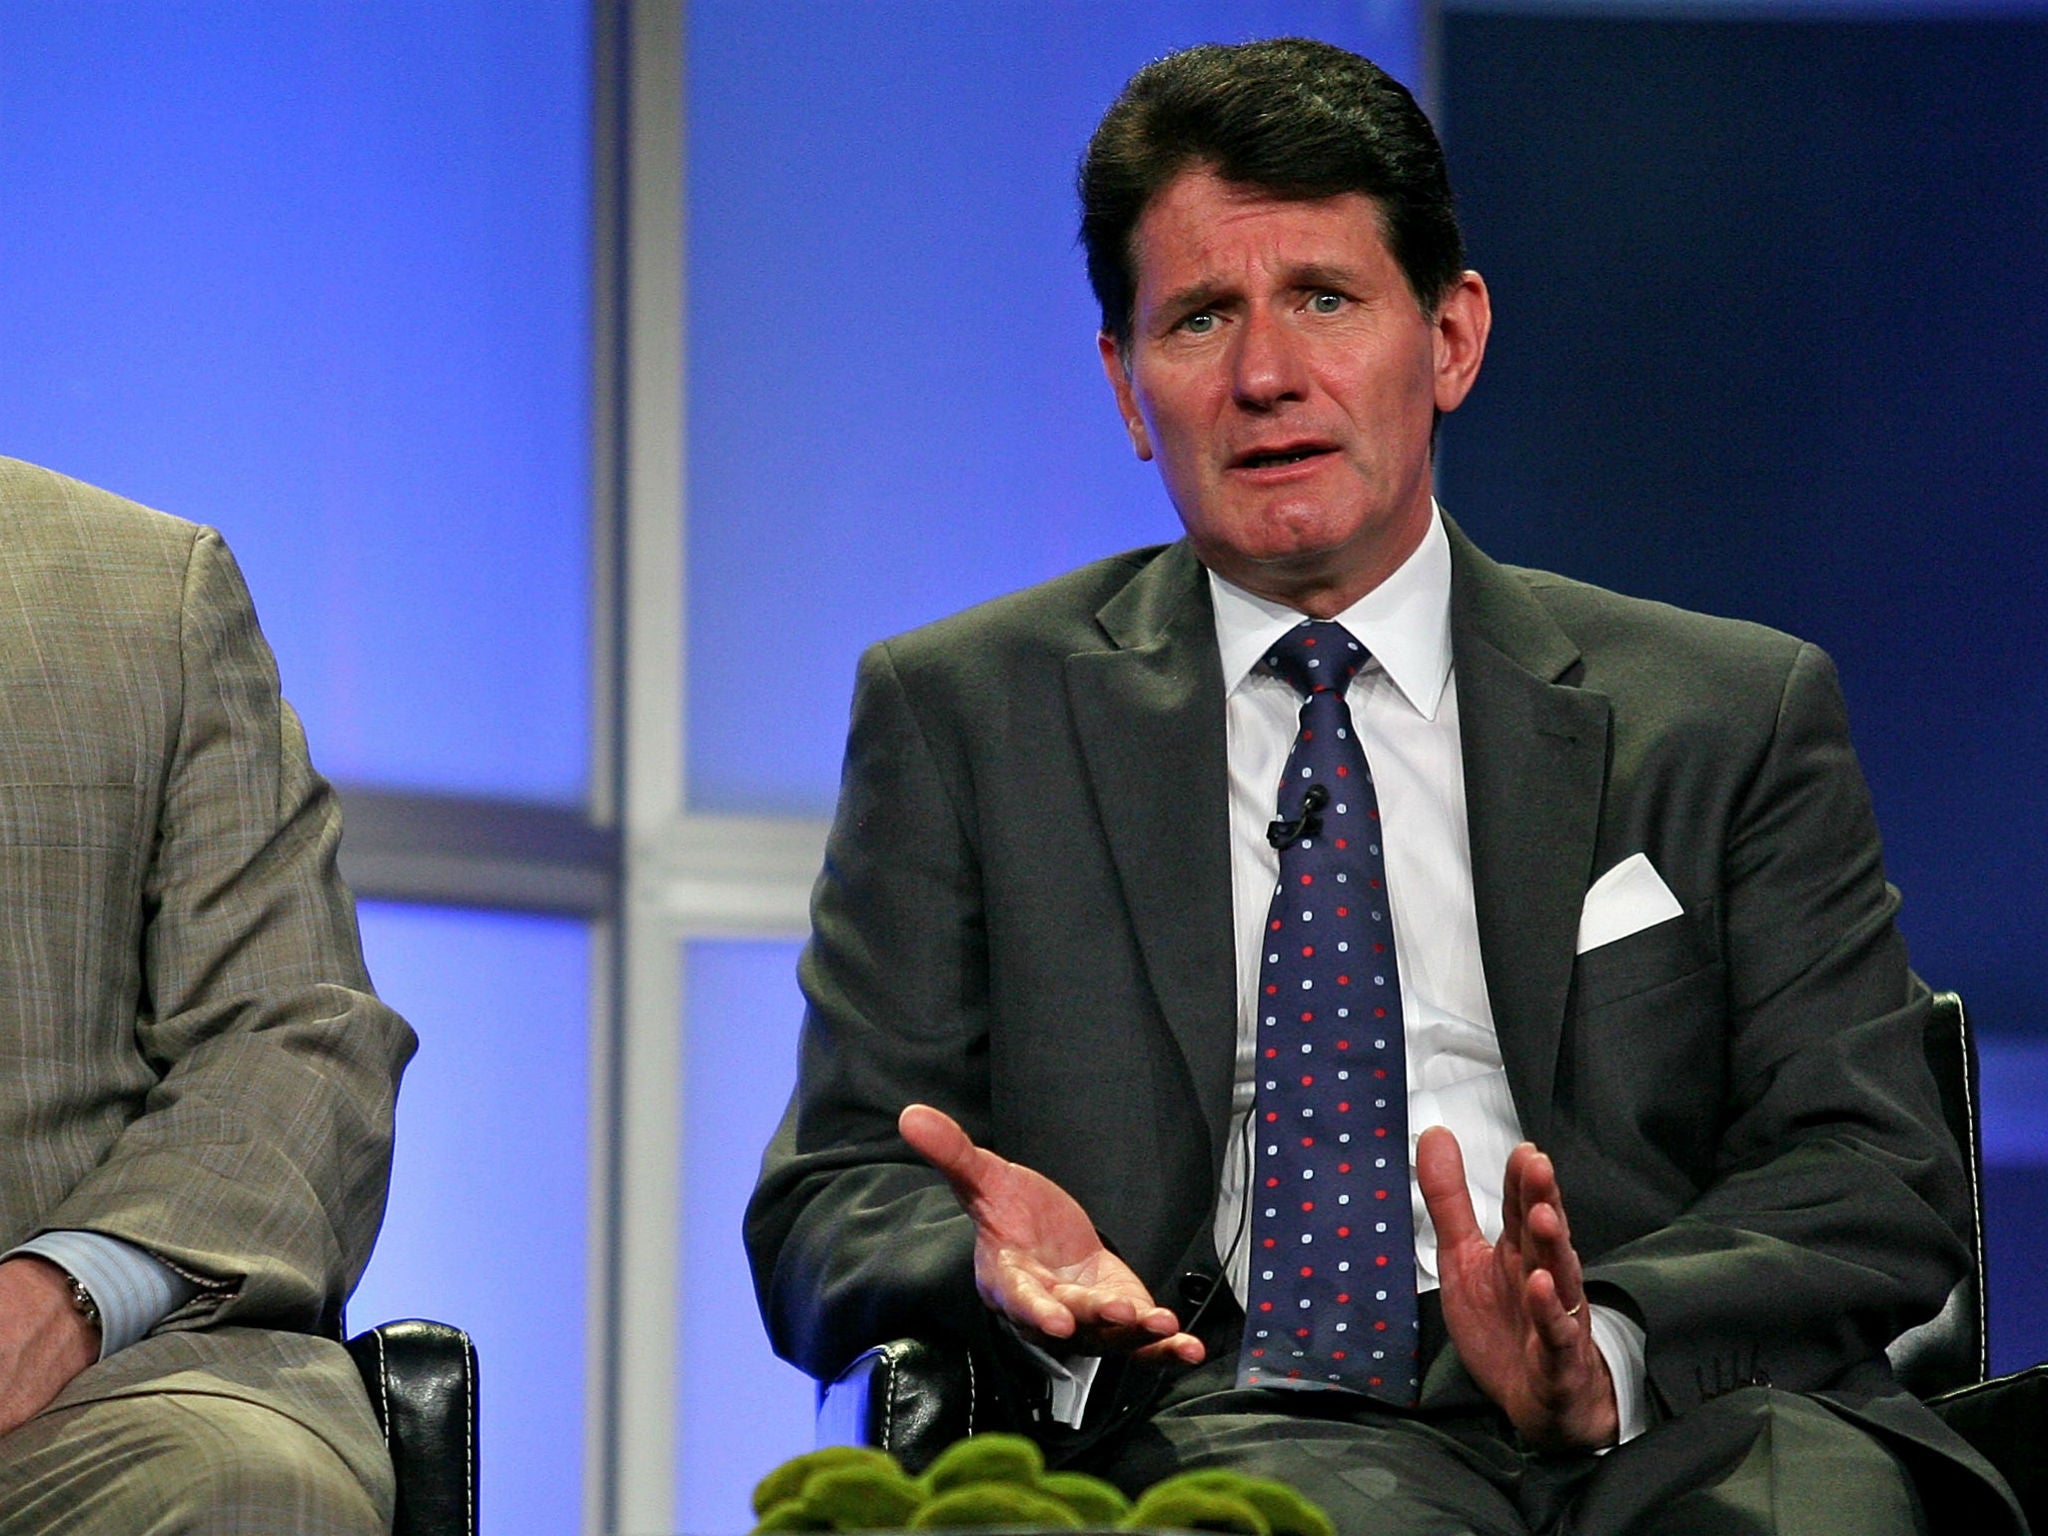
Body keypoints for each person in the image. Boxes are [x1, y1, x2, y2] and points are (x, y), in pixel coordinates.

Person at [746, 38, 2022, 1535]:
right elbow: (828, 1195)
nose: (1265, 374)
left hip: (1689, 1407)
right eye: (1201, 315)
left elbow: (1872, 1164)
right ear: (1122, 381)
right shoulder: (966, 713)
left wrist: (1595, 1340)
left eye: (1327, 300)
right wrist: (987, 1270)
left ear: (1454, 336)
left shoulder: (1727, 710)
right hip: (1245, 1406)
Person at [0, 454, 414, 1531]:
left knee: (252, 1496)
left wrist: (62, 1298)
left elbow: (294, 1036)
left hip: (75, 1408)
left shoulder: (147, 588)